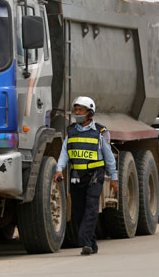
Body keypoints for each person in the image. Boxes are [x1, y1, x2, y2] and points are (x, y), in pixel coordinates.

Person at [55, 96, 119, 255]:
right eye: (76, 109)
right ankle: (92, 244)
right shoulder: (71, 131)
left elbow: (109, 157)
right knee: (78, 211)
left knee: (91, 208)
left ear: (89, 113)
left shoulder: (101, 132)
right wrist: (58, 169)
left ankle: (84, 241)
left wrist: (114, 178)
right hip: (77, 176)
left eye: (80, 110)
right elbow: (64, 153)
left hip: (94, 176)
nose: (77, 112)